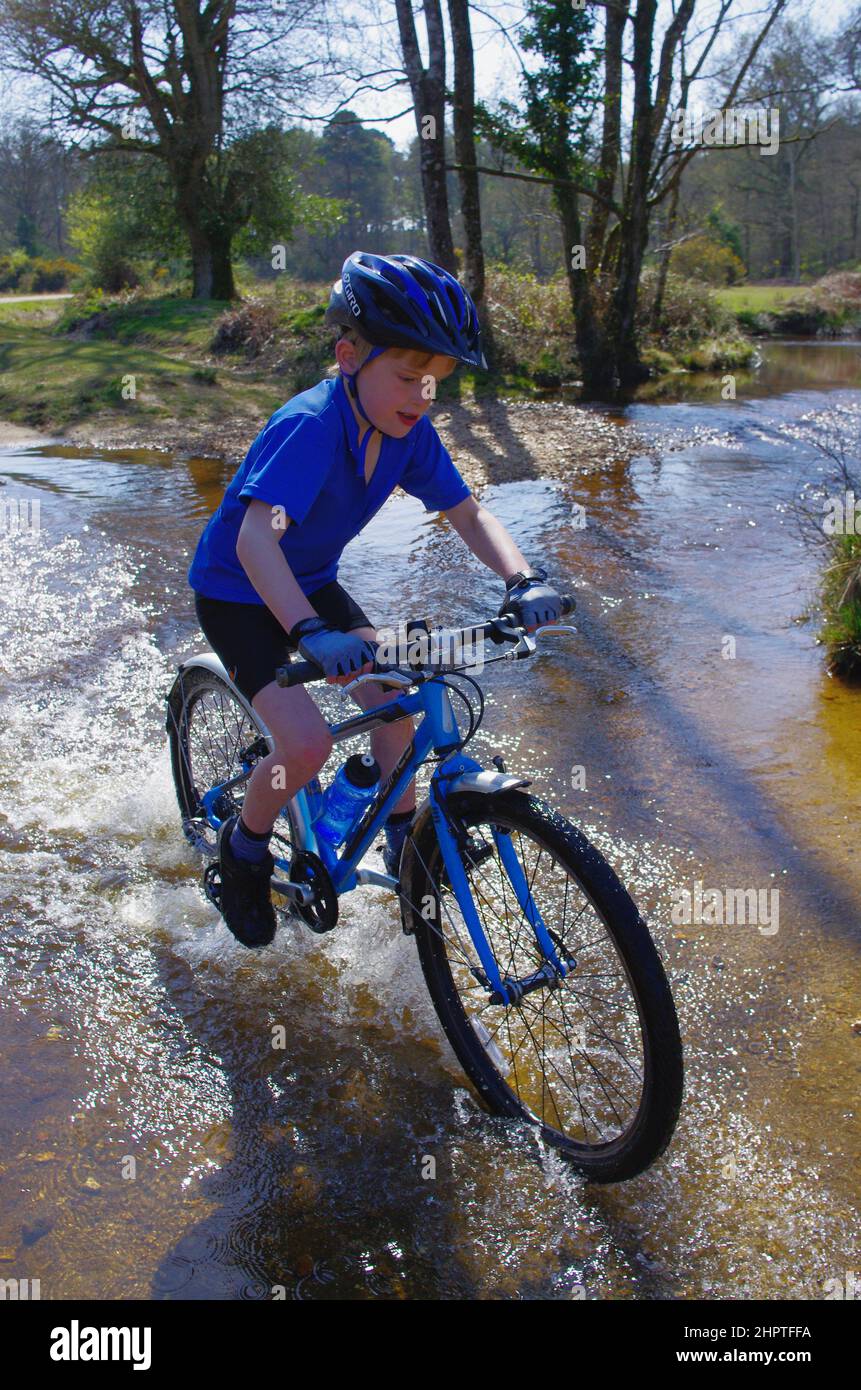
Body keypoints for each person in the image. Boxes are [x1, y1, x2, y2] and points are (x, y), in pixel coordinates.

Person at [187, 249, 563, 949]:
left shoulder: (408, 434)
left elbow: (468, 513)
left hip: (312, 581)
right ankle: (242, 851)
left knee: (394, 694)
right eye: (408, 376)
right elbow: (254, 542)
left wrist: (523, 580)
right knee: (304, 743)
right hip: (239, 592)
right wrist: (309, 630)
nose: (423, 397)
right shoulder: (311, 428)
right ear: (348, 357)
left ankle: (404, 842)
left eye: (436, 383)